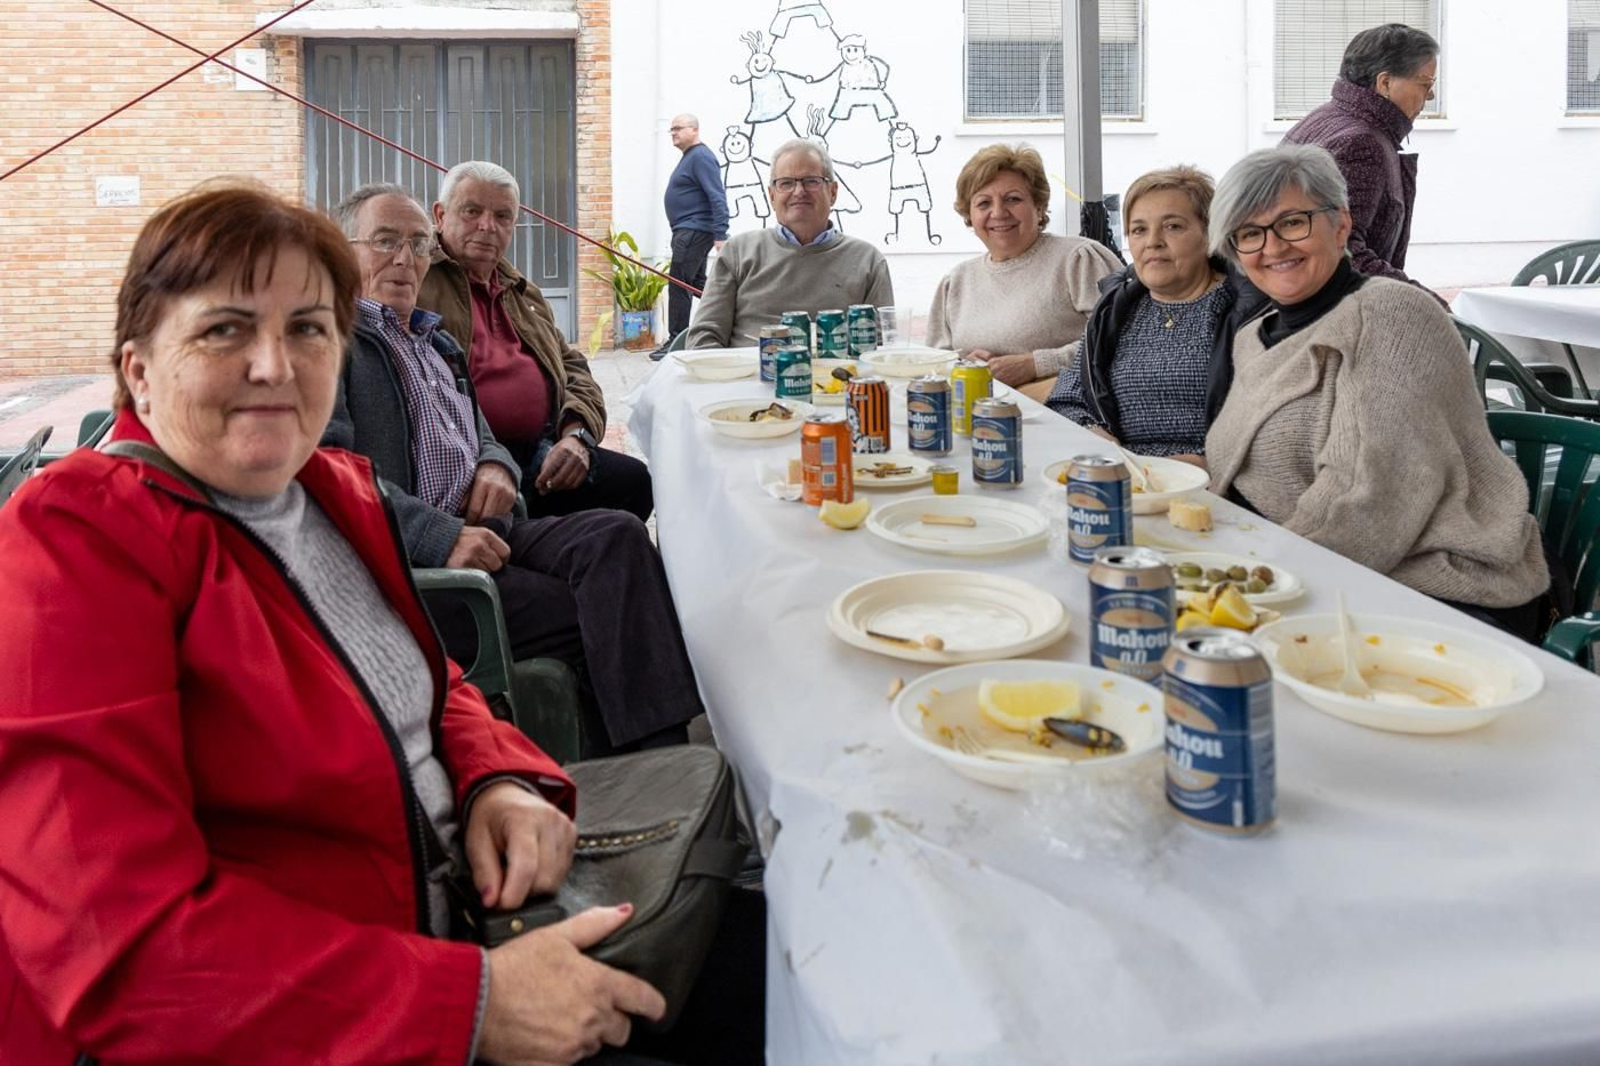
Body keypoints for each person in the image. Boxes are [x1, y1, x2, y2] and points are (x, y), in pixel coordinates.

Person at [0, 183, 668, 1063]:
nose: (275, 364)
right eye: (224, 329)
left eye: (309, 329)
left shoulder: (325, 491)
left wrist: (497, 781)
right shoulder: (77, 538)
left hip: (460, 932)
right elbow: (119, 948)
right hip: (333, 1019)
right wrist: (471, 1007)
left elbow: (426, 678)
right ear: (137, 369)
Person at [328, 183, 703, 754]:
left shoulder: (431, 340)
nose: (404, 259)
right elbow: (328, 472)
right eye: (384, 242)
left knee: (618, 534)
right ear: (343, 250)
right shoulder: (333, 345)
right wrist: (441, 536)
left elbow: (479, 429)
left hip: (498, 525)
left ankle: (664, 754)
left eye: (416, 246)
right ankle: (646, 762)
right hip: (415, 571)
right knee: (601, 608)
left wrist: (496, 465)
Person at [1205, 145, 1549, 637]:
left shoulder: (1391, 314)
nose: (1273, 247)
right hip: (1314, 570)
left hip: (1428, 588)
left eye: (1293, 222)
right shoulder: (1254, 336)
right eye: (1250, 234)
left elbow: (1366, 498)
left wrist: (1250, 587)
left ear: (1341, 224)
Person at [417, 160, 653, 521]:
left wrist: (576, 435)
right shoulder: (416, 282)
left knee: (637, 482)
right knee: (613, 532)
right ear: (440, 215)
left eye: (502, 216)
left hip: (544, 452)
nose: (487, 226)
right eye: (472, 211)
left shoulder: (521, 291)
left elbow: (573, 366)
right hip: (474, 462)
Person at [1046, 165, 1269, 462]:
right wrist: (1091, 431)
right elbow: (1066, 397)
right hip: (1127, 475)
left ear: (1210, 235)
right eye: (1139, 230)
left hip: (1215, 484)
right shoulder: (1116, 311)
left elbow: (1273, 425)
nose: (1153, 241)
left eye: (1172, 226)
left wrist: (1211, 463)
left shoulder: (1247, 312)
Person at [926, 144, 1122, 403]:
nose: (998, 213)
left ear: (1039, 206)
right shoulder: (956, 282)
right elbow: (933, 364)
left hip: (1070, 417)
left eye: (1013, 199)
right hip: (980, 417)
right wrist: (961, 363)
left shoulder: (1079, 259)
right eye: (984, 203)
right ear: (969, 216)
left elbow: (1123, 339)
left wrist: (1035, 364)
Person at [684, 138, 894, 350]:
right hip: (744, 378)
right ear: (772, 196)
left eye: (811, 181)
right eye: (786, 183)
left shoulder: (868, 261)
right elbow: (703, 339)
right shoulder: (737, 253)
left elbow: (881, 349)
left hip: (837, 380)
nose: (799, 191)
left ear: (833, 192)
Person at [1281, 22, 1439, 291]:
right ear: (1385, 83)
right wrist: (1422, 301)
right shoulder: (1361, 143)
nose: (1431, 95)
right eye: (1425, 84)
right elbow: (1343, 251)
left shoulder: (1327, 116)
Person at [654, 113, 729, 359]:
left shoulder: (701, 157)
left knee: (678, 284)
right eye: (671, 129)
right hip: (688, 230)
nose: (673, 133)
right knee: (697, 285)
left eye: (678, 128)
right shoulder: (691, 157)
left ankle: (677, 342)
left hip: (695, 230)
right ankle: (732, 316)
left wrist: (721, 233)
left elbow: (717, 196)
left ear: (694, 130)